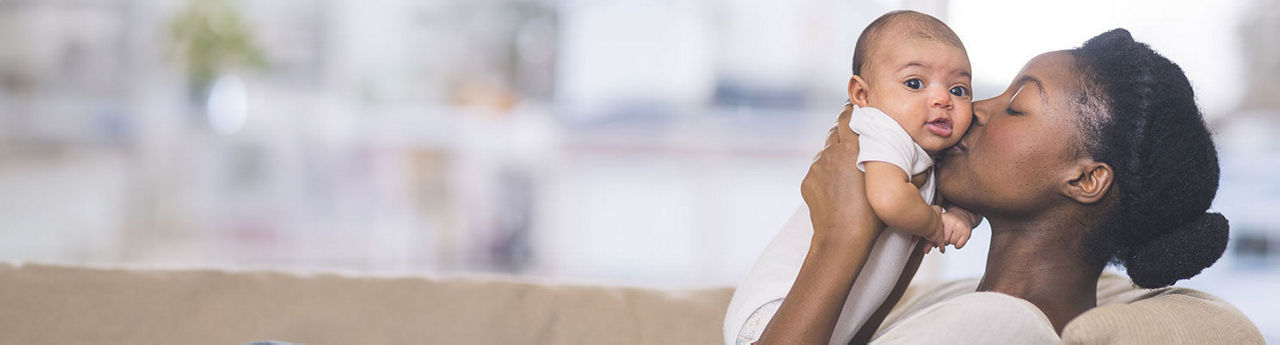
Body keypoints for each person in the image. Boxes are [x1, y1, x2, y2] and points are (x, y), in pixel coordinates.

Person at [755, 28, 1231, 344]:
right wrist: (894, 238)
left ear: (1086, 179)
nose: (974, 109)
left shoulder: (1000, 327)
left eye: (1016, 106)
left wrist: (840, 238)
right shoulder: (971, 305)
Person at [724, 11, 983, 345]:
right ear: (862, 96)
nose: (941, 99)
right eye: (914, 83)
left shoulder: (928, 154)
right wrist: (937, 224)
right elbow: (890, 199)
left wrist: (961, 215)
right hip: (773, 313)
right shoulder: (881, 129)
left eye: (959, 89)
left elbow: (964, 198)